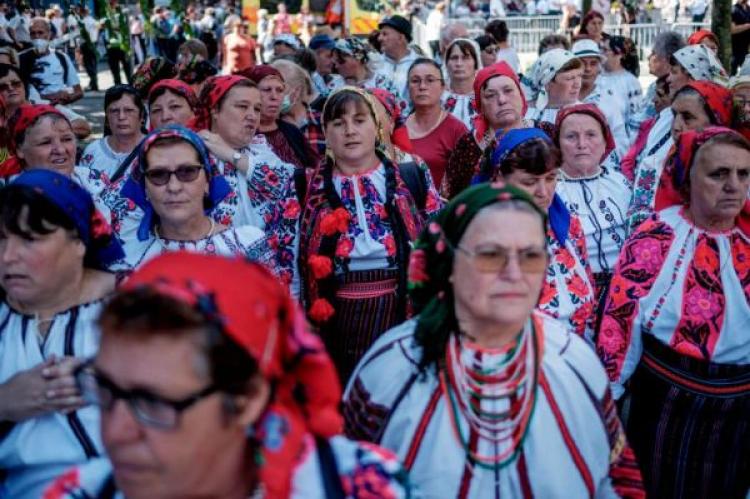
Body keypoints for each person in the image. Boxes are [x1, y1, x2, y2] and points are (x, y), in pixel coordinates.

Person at [344, 182, 644, 498]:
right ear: (450, 264)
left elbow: (616, 480)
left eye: (530, 255)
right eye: (491, 254)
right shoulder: (391, 369)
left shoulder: (574, 360)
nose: (514, 273)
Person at [45, 252, 412, 498]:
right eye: (105, 390)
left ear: (247, 399)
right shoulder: (80, 491)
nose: (113, 432)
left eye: (152, 402)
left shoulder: (360, 486)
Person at [598, 127, 750, 498]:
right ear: (687, 177)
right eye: (718, 174)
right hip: (665, 402)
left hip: (738, 410)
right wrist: (609, 399)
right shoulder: (657, 235)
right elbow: (621, 321)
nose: (733, 185)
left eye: (743, 174)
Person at [297, 87, 442, 383]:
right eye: (338, 123)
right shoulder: (305, 186)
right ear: (325, 131)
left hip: (400, 310)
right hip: (335, 317)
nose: (350, 131)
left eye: (359, 120)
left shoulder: (410, 175)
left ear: (375, 127)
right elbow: (288, 257)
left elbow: (437, 239)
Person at [0, 169, 123, 499]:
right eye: (0, 239)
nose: (7, 257)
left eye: (30, 239)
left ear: (79, 242)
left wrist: (128, 387)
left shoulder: (139, 307)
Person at [475, 128, 597, 339]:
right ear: (499, 179)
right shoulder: (482, 241)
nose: (544, 191)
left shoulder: (568, 226)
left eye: (551, 178)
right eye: (529, 182)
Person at [114, 126, 272, 272]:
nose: (174, 187)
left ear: (207, 182)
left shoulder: (247, 246)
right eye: (158, 175)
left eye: (188, 172)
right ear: (145, 189)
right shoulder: (129, 260)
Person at [628, 68, 733, 232]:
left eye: (688, 117)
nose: (676, 126)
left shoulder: (739, 170)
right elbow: (637, 223)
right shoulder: (654, 165)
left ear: (716, 122)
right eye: (674, 115)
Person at [554, 104, 631, 302]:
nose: (582, 144)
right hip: (572, 292)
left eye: (591, 135)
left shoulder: (621, 183)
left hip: (625, 289)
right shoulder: (549, 189)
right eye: (571, 136)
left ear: (606, 142)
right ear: (557, 144)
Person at [444, 62, 529, 199]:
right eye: (490, 95)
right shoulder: (468, 145)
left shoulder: (545, 132)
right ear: (480, 107)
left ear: (521, 94)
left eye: (508, 90)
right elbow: (454, 199)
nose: (502, 100)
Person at [406, 58, 468, 187]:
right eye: (415, 81)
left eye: (430, 80)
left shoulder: (456, 129)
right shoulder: (397, 128)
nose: (422, 86)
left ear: (443, 87)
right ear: (408, 87)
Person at [245, 65, 318, 170]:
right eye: (266, 90)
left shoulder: (292, 131)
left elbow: (316, 170)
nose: (274, 96)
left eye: (279, 90)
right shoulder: (243, 134)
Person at [80, 85, 146, 178]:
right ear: (107, 117)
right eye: (114, 111)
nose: (121, 117)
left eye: (129, 110)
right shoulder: (93, 151)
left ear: (141, 115)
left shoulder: (153, 149)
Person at [19, 17, 82, 106]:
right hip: (34, 111)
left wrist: (63, 99)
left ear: (49, 34)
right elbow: (18, 94)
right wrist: (48, 97)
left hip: (61, 112)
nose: (37, 36)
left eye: (40, 32)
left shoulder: (62, 57)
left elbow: (78, 92)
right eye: (33, 33)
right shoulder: (20, 59)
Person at [271, 59, 325, 158]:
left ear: (297, 91)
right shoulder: (269, 126)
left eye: (280, 89)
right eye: (268, 89)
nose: (273, 96)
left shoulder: (322, 121)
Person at [332, 37, 403, 108]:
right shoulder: (334, 85)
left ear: (358, 58)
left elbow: (400, 110)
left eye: (341, 61)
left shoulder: (382, 83)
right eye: (335, 62)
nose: (337, 66)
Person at [524, 49, 583, 131]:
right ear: (547, 84)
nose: (577, 84)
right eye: (569, 78)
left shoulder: (584, 114)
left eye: (580, 76)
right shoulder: (524, 114)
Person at [599, 36, 642, 129]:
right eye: (601, 48)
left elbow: (635, 115)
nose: (601, 53)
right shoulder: (595, 76)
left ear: (619, 54)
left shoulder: (630, 82)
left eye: (605, 50)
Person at [377, 15, 419, 103]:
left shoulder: (419, 64)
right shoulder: (373, 64)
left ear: (401, 38)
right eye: (380, 34)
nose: (379, 38)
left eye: (385, 34)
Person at [441, 38, 481, 130]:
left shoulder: (484, 97)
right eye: (454, 58)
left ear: (476, 63)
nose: (459, 63)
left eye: (465, 58)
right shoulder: (438, 98)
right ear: (446, 64)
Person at [308, 34, 343, 98]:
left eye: (333, 57)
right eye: (329, 56)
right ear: (314, 55)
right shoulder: (306, 81)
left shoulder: (336, 79)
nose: (333, 61)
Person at [732, 0, 750, 74]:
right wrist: (748, 26)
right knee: (732, 75)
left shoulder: (748, 9)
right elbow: (732, 29)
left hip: (747, 49)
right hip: (735, 49)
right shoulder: (733, 10)